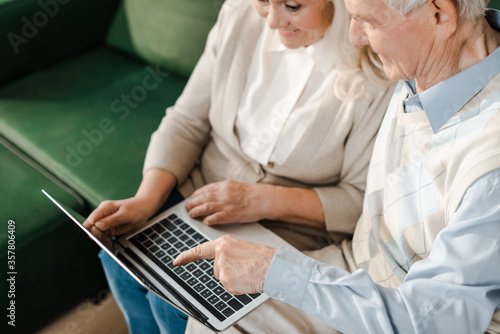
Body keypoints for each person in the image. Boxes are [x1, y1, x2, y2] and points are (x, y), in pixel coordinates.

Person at [174, 0, 500, 333]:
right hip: (360, 267)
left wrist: (274, 270)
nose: (354, 36)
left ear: (439, 14)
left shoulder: (491, 168)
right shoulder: (430, 60)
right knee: (214, 307)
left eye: (368, 21)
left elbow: (433, 322)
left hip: (409, 316)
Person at [83, 0, 393, 332]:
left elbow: (358, 201)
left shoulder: (378, 68)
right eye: (263, 1)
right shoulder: (238, 15)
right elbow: (186, 121)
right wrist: (145, 201)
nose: (273, 20)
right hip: (197, 199)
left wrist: (259, 199)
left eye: (292, 5)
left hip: (283, 230)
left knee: (172, 304)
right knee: (119, 259)